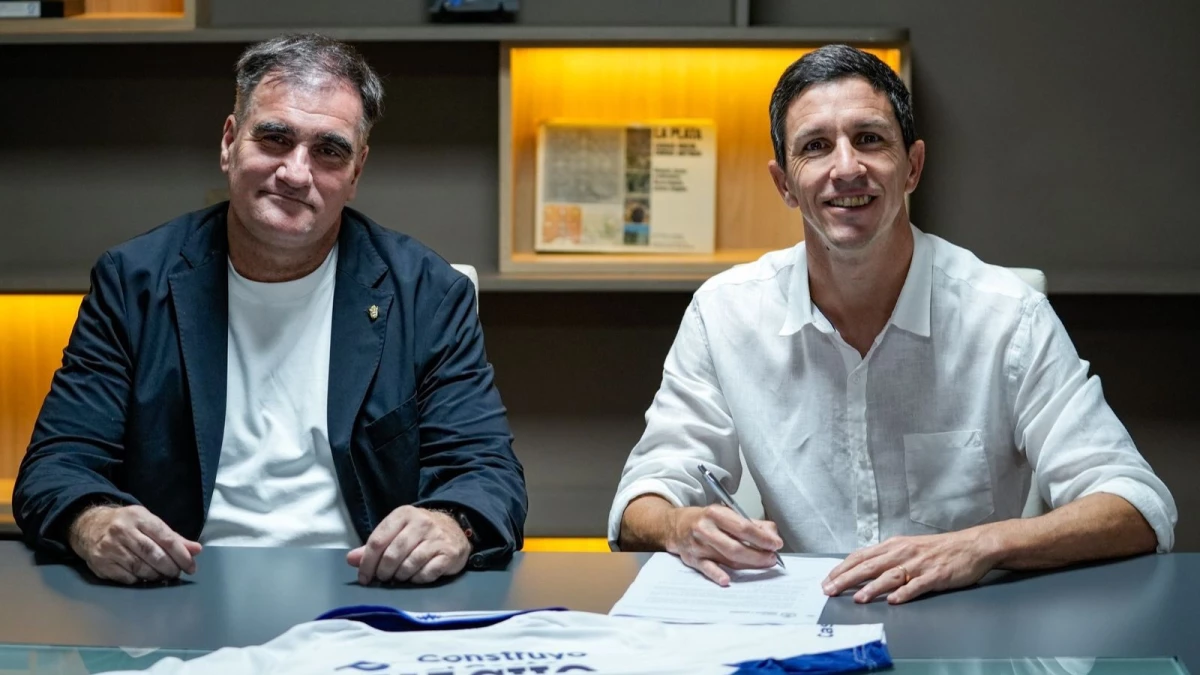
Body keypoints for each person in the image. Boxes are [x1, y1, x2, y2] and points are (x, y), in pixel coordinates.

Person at [608, 44, 1176, 604]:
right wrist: (680, 527)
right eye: (816, 147)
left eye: (870, 139)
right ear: (785, 183)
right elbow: (642, 498)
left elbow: (1136, 505)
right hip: (798, 629)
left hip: (968, 632)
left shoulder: (1007, 315)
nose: (846, 167)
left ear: (913, 167)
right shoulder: (724, 313)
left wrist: (982, 545)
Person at [13, 34, 526, 586]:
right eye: (275, 138)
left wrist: (450, 524)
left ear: (356, 172)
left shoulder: (427, 293)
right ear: (230, 142)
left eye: (329, 150)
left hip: (365, 593)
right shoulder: (134, 281)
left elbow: (488, 472)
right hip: (176, 590)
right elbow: (57, 464)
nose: (296, 172)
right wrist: (95, 522)